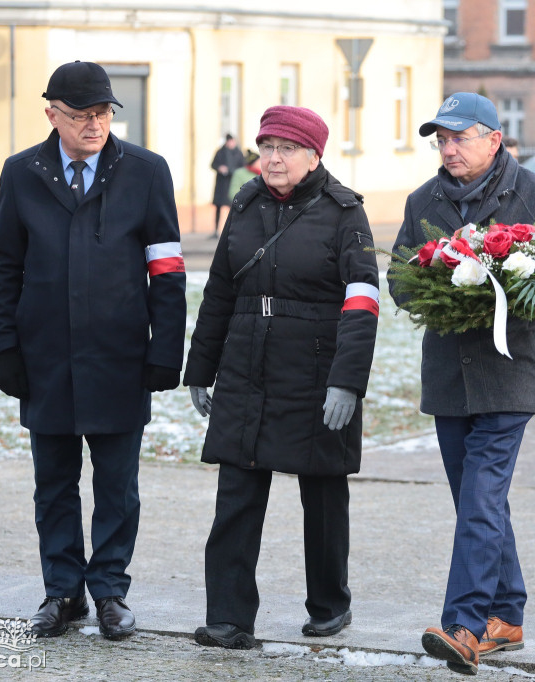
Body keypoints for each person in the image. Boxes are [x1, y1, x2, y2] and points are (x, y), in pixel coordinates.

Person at [0, 61, 187, 640]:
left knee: (117, 485)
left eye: (102, 113)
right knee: (53, 482)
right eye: (81, 115)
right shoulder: (22, 173)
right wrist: (6, 347)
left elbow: (167, 267)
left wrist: (165, 348)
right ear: (53, 115)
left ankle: (110, 593)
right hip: (44, 356)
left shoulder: (146, 171)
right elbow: (4, 265)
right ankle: (62, 591)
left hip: (120, 355)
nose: (95, 125)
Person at [390, 92, 535, 675]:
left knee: (480, 498)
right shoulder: (423, 200)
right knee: (477, 500)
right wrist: (439, 279)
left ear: (494, 139)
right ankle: (508, 613)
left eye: (458, 137)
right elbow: (399, 279)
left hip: (510, 373)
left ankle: (464, 626)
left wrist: (499, 280)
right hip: (449, 376)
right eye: (440, 139)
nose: (447, 149)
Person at [185, 105, 379, 650]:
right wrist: (200, 367)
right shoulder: (244, 205)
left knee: (321, 496)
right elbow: (220, 290)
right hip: (247, 367)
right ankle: (227, 616)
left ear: (314, 154)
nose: (272, 158)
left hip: (315, 370)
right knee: (237, 496)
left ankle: (329, 606)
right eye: (266, 146)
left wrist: (348, 382)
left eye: (286, 148)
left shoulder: (345, 213)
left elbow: (363, 301)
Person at [210, 133, 244, 237]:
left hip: (233, 184)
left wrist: (232, 171)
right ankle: (216, 231)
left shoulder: (238, 153)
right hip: (221, 184)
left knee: (233, 207)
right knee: (218, 207)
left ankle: (233, 230)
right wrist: (220, 168)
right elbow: (213, 164)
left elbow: (243, 167)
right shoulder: (220, 152)